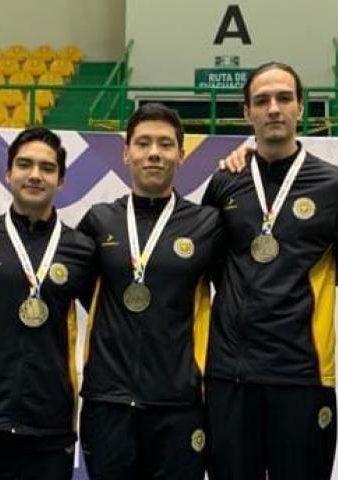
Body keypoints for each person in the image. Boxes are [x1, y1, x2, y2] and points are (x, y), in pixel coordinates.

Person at [201, 61, 338, 480]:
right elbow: (213, 268)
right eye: (262, 100)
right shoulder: (223, 183)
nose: (274, 108)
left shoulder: (336, 185)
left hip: (302, 374)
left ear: (301, 108)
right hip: (229, 374)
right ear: (247, 113)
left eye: (284, 98)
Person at [76, 103, 223, 480]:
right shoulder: (98, 220)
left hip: (179, 402)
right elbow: (74, 289)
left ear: (181, 154)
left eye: (165, 144)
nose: (154, 153)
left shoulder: (207, 223)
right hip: (107, 401)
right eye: (143, 143)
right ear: (126, 153)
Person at [0, 127, 95, 480]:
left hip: (50, 424)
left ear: (61, 180)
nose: (35, 175)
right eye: (25, 165)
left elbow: (113, 323)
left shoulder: (81, 248)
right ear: (8, 173)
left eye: (47, 168)